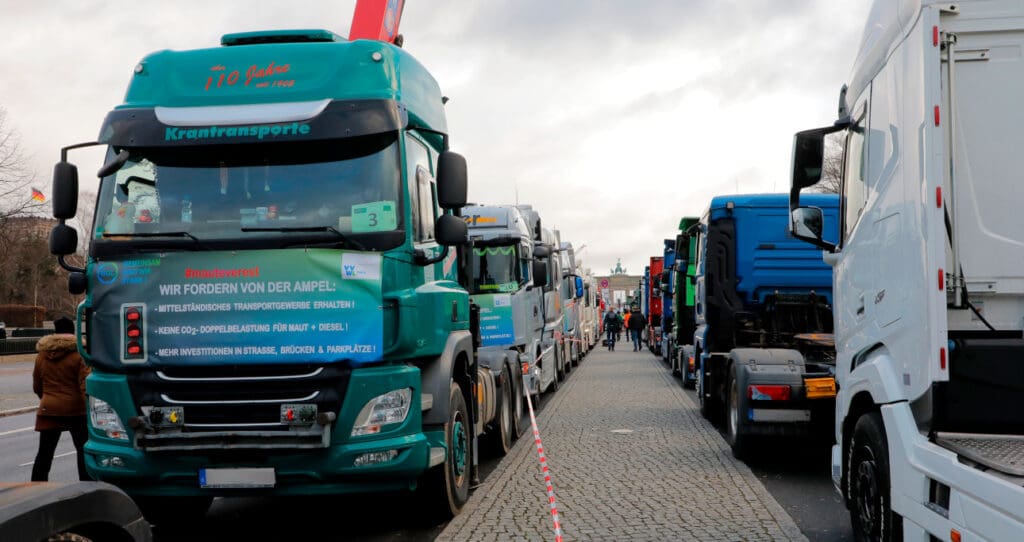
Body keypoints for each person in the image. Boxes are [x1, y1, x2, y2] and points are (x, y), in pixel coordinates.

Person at [31, 317, 91, 482]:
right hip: (75, 409)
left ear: (55, 332)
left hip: (48, 408)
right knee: (82, 450)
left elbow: (37, 385)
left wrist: (47, 398)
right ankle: (86, 486)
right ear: (73, 331)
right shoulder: (79, 354)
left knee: (44, 453)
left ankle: (37, 486)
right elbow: (85, 384)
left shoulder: (42, 355)